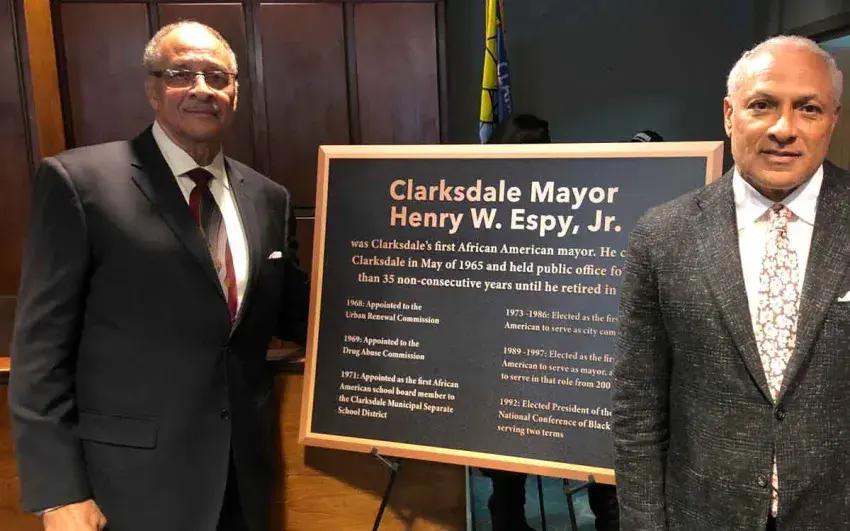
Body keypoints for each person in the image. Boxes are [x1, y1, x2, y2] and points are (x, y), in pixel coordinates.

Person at [8, 21, 309, 531]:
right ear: (151, 88)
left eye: (217, 77)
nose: (201, 89)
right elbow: (40, 351)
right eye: (181, 74)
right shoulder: (80, 183)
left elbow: (295, 313)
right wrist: (58, 494)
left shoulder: (267, 198)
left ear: (235, 93)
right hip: (129, 487)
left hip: (242, 479)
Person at [613, 35, 847, 530]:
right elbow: (638, 407)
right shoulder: (663, 235)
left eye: (808, 108)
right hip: (703, 514)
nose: (784, 129)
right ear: (728, 114)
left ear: (833, 119)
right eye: (762, 105)